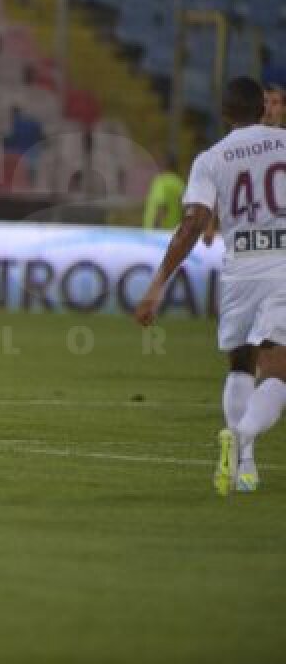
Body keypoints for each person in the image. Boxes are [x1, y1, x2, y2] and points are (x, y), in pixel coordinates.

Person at [135, 77, 286, 496]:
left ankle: (244, 465)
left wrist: (157, 284)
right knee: (278, 371)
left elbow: (191, 226)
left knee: (240, 365)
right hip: (282, 264)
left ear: (223, 114)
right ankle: (240, 441)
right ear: (264, 108)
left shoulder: (210, 158)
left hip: (240, 268)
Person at [142, 152, 186, 230]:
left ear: (165, 164)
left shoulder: (161, 181)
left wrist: (156, 230)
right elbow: (184, 208)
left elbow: (161, 205)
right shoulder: (179, 183)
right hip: (172, 230)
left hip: (157, 232)